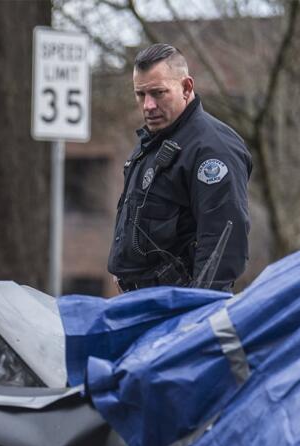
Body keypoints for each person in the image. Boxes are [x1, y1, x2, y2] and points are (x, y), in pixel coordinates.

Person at [108, 43, 252, 292]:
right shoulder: (154, 143)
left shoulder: (212, 149)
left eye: (158, 93)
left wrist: (198, 317)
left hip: (177, 312)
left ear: (186, 88)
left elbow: (222, 245)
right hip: (140, 305)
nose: (148, 106)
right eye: (141, 94)